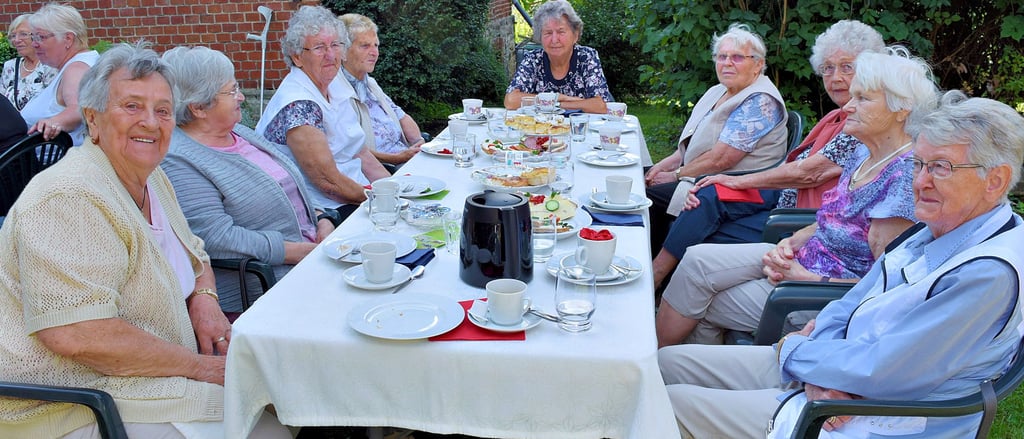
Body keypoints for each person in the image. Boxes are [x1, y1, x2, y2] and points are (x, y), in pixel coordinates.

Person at [659, 90, 1024, 439]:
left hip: (876, 418)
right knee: (664, 365)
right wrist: (818, 361)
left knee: (667, 406)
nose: (920, 181)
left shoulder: (988, 272)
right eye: (918, 164)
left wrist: (796, 351)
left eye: (940, 167)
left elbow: (885, 371)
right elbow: (851, 304)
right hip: (833, 371)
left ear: (995, 180)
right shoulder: (939, 227)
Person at [0, 43, 289, 438]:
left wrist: (204, 300)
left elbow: (195, 251)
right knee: (267, 427)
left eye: (163, 110)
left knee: (285, 391)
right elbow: (78, 333)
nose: (151, 123)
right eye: (132, 106)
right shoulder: (68, 198)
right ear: (93, 119)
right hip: (78, 401)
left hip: (156, 372)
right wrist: (199, 367)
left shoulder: (152, 177)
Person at [655, 47, 938, 348]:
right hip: (804, 258)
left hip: (820, 296)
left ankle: (675, 370)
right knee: (697, 259)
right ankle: (671, 362)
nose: (848, 107)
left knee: (705, 303)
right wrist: (792, 241)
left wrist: (805, 278)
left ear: (902, 108)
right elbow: (833, 218)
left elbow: (885, 286)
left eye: (863, 99)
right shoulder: (864, 152)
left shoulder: (904, 180)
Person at [649, 20, 884, 289]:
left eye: (847, 67)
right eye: (828, 68)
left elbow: (809, 173)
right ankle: (658, 279)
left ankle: (657, 278)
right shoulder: (835, 115)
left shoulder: (862, 124)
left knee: (697, 214)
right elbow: (792, 165)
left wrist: (733, 180)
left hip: (798, 217)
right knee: (706, 196)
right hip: (778, 196)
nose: (836, 77)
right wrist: (721, 180)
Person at [161, 46, 337, 313]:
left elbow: (289, 187)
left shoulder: (240, 132)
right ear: (198, 107)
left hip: (314, 256)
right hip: (271, 284)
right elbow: (219, 238)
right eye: (231, 91)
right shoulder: (179, 159)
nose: (241, 96)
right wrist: (303, 252)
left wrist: (323, 218)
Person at [644, 23, 789, 254]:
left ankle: (651, 274)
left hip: (733, 186)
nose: (727, 63)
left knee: (646, 198)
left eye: (737, 57)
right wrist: (661, 166)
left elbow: (722, 160)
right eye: (722, 56)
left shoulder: (760, 101)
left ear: (758, 65)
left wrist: (674, 175)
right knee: (637, 176)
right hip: (701, 175)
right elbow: (690, 145)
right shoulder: (719, 90)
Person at [256, 5, 390, 218]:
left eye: (335, 45)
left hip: (359, 193)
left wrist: (393, 188)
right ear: (297, 57)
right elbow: (329, 183)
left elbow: (359, 152)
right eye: (319, 47)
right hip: (326, 210)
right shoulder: (298, 105)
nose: (330, 55)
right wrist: (385, 200)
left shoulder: (334, 85)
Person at [338, 13, 425, 169]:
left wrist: (419, 143)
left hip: (405, 159)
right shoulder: (336, 92)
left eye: (376, 45)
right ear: (343, 51)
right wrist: (395, 158)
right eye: (365, 46)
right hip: (383, 169)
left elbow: (400, 115)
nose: (374, 52)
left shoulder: (370, 83)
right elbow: (352, 150)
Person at [503, 0, 613, 114]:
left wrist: (554, 104)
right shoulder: (533, 60)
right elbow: (511, 100)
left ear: (575, 35)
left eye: (561, 32)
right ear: (540, 37)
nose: (554, 40)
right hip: (541, 130)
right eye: (548, 33)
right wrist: (560, 97)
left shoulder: (586, 57)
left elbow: (601, 105)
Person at [18, 3, 99, 146]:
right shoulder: (84, 61)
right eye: (33, 37)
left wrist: (54, 122)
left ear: (68, 38)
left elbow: (78, 109)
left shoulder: (76, 68)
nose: (35, 44)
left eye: (41, 37)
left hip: (49, 165)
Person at [1, 14, 57, 110]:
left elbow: (54, 104)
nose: (17, 40)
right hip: (12, 124)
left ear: (38, 36)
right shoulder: (10, 67)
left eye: (23, 34)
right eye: (13, 35)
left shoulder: (50, 66)